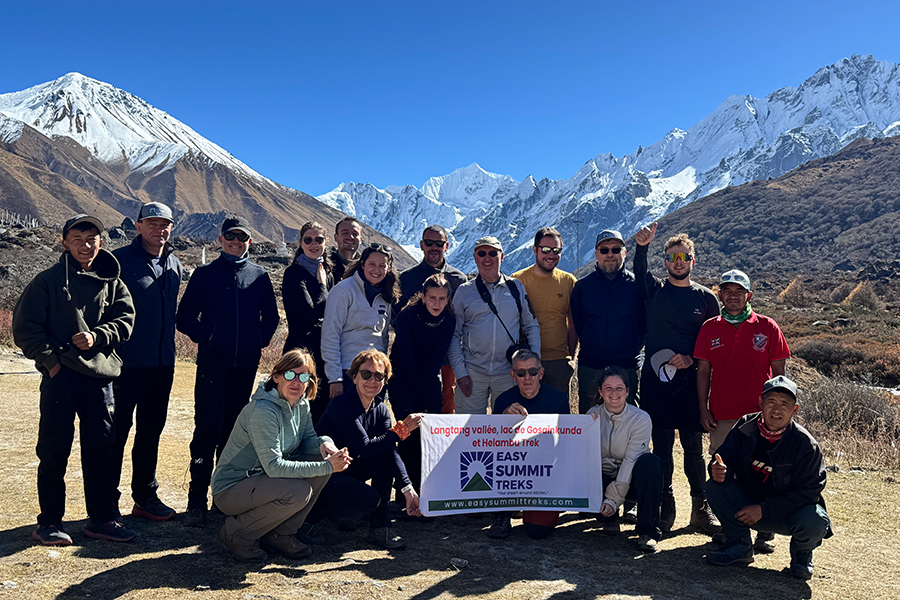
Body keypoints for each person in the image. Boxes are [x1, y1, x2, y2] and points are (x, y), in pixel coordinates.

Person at [13, 214, 136, 544]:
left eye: (92, 237)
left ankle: (101, 519)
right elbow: (26, 330)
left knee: (102, 450)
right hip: (61, 378)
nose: (85, 244)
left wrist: (98, 337)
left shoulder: (113, 281)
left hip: (100, 379)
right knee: (54, 450)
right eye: (78, 238)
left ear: (101, 241)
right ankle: (49, 522)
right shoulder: (47, 281)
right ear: (64, 242)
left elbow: (126, 321)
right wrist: (52, 363)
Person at [176, 215, 280, 527]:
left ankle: (224, 497)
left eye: (242, 239)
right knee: (206, 430)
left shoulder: (259, 276)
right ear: (220, 240)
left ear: (250, 241)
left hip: (245, 366)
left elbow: (271, 317)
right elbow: (184, 318)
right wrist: (208, 336)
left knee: (234, 434)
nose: (236, 243)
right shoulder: (205, 274)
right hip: (212, 365)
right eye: (230, 238)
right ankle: (196, 500)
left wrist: (258, 341)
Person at [211, 349, 351, 562]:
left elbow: (307, 440)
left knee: (319, 464)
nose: (296, 382)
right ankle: (237, 534)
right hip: (232, 488)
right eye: (290, 375)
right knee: (298, 491)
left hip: (263, 481)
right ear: (276, 376)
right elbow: (274, 467)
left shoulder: (301, 403)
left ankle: (280, 534)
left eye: (303, 377)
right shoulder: (264, 411)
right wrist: (329, 466)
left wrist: (325, 444)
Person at [633, 222, 721, 535]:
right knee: (662, 448)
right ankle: (664, 505)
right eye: (673, 257)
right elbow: (640, 273)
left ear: (692, 261)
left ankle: (700, 509)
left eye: (684, 257)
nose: (678, 262)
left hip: (691, 386)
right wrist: (642, 246)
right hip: (656, 385)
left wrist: (690, 359)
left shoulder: (707, 299)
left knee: (694, 450)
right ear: (666, 262)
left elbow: (714, 343)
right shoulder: (654, 293)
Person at [705, 376, 832, 579]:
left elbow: (809, 492)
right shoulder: (745, 426)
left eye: (784, 404)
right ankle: (739, 544)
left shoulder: (805, 444)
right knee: (714, 486)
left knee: (815, 519)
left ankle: (801, 555)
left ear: (795, 410)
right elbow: (723, 459)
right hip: (747, 506)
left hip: (787, 513)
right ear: (760, 403)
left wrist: (764, 509)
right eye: (771, 402)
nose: (776, 409)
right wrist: (718, 470)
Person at [111, 202, 183, 523]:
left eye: (165, 223)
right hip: (124, 365)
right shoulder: (118, 262)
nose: (160, 229)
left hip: (162, 365)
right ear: (138, 226)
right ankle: (105, 502)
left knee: (151, 431)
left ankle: (145, 496)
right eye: (152, 223)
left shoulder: (175, 265)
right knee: (116, 433)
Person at [316, 349, 423, 549]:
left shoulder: (381, 409)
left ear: (385, 380)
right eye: (366, 374)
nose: (372, 380)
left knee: (385, 459)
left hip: (349, 468)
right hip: (322, 475)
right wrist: (401, 430)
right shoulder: (341, 405)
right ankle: (313, 522)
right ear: (354, 377)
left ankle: (378, 529)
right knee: (371, 498)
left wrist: (408, 489)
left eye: (379, 375)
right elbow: (365, 448)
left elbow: (389, 449)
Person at [696, 269, 791, 455]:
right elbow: (703, 372)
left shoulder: (768, 326)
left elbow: (779, 374)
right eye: (728, 290)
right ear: (720, 295)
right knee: (721, 468)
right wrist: (703, 409)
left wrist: (776, 411)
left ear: (749, 296)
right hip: (721, 415)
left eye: (739, 291)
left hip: (759, 414)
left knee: (758, 466)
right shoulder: (709, 328)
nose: (733, 295)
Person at [448, 236, 541, 414]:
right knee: (468, 432)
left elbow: (531, 326)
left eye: (492, 253)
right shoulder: (463, 292)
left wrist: (532, 365)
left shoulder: (516, 288)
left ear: (502, 256)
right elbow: (454, 334)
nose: (487, 258)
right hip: (472, 372)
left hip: (509, 373)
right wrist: (460, 373)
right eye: (481, 253)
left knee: (509, 431)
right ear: (475, 257)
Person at [489, 350, 570, 540]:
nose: (527, 378)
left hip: (544, 471)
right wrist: (503, 421)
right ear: (512, 375)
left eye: (533, 372)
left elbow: (568, 442)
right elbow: (492, 444)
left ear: (541, 373)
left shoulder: (558, 400)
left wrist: (589, 424)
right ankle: (502, 514)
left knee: (538, 531)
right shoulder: (503, 401)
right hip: (513, 468)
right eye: (521, 373)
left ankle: (531, 509)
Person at [389, 274, 456, 499]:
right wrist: (416, 397)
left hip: (429, 378)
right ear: (424, 297)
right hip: (402, 378)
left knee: (429, 434)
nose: (437, 304)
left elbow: (437, 357)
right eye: (432, 298)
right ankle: (405, 492)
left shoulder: (449, 319)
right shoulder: (408, 316)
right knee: (408, 432)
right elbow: (405, 357)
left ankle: (428, 490)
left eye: (442, 299)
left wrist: (427, 396)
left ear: (448, 300)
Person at [587, 366, 662, 553]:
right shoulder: (591, 415)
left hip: (633, 481)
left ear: (628, 391)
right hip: (604, 477)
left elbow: (630, 460)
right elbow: (588, 460)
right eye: (608, 388)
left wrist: (613, 499)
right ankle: (609, 519)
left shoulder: (641, 419)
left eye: (619, 388)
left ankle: (648, 532)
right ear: (600, 392)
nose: (614, 393)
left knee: (650, 463)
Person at [571, 229, 644, 412]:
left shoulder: (637, 287)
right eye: (604, 250)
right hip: (591, 364)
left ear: (624, 253)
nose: (610, 254)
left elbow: (645, 325)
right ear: (596, 254)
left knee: (628, 418)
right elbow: (579, 325)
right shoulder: (582, 288)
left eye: (615, 249)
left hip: (626, 365)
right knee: (589, 419)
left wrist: (632, 350)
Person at [398, 225, 468, 413]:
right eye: (429, 243)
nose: (434, 247)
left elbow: (460, 317)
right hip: (413, 359)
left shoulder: (458, 279)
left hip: (446, 358)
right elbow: (397, 317)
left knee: (446, 411)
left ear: (447, 246)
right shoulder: (407, 278)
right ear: (422, 245)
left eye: (439, 243)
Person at [321, 243, 399, 399]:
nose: (376, 270)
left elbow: (383, 338)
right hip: (349, 371)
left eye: (382, 266)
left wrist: (383, 373)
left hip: (376, 373)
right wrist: (334, 378)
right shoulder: (343, 290)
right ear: (362, 264)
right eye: (371, 264)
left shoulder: (386, 296)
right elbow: (330, 334)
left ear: (388, 269)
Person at [511, 227, 577, 396]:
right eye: (546, 250)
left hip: (559, 362)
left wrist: (572, 359)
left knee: (558, 418)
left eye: (556, 250)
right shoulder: (517, 280)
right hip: (526, 362)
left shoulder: (569, 281)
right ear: (535, 250)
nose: (551, 255)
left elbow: (573, 322)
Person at [283, 221, 334, 424]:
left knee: (318, 407)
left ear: (326, 242)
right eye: (308, 239)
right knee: (294, 404)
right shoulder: (294, 273)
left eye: (319, 239)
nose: (314, 244)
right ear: (301, 243)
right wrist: (322, 285)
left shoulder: (327, 273)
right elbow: (310, 314)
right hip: (299, 349)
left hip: (322, 351)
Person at [328, 216, 362, 282]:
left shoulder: (366, 268)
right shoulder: (326, 266)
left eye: (355, 234)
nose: (350, 237)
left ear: (360, 240)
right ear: (336, 237)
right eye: (345, 233)